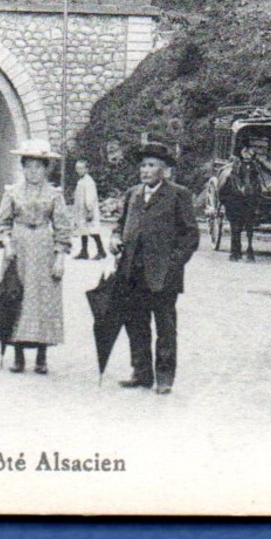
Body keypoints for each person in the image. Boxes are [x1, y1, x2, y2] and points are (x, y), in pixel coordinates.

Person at [104, 141, 198, 393]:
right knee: (136, 322)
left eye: (152, 165)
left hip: (163, 275)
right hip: (132, 272)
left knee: (165, 326)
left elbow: (190, 236)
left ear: (164, 170)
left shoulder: (179, 195)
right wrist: (115, 239)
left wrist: (173, 264)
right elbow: (120, 224)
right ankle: (141, 373)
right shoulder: (132, 194)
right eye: (143, 165)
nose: (145, 170)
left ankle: (165, 377)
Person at [0, 140, 72, 374]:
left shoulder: (54, 195)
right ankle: (17, 355)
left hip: (44, 249)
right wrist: (6, 243)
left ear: (46, 169)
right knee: (15, 297)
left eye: (38, 167)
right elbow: (2, 222)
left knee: (42, 301)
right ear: (23, 168)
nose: (33, 172)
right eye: (28, 167)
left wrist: (60, 258)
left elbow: (62, 228)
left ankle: (41, 356)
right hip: (18, 250)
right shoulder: (12, 192)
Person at [72, 158, 106, 260]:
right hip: (81, 211)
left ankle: (101, 251)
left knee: (93, 231)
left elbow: (90, 197)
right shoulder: (81, 181)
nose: (79, 170)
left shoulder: (89, 181)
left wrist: (90, 210)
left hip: (87, 210)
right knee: (83, 231)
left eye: (81, 168)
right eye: (77, 168)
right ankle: (84, 251)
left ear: (87, 169)